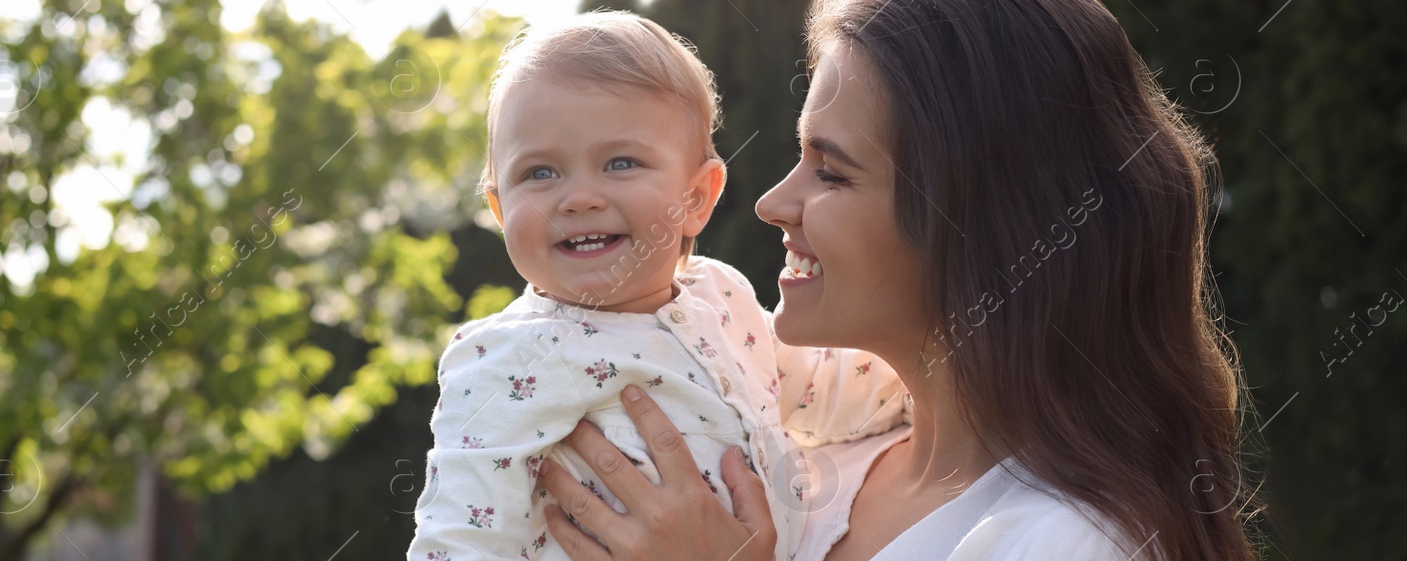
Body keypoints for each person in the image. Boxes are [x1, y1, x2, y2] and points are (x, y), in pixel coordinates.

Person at [533, 0, 1260, 560]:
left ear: (977, 219)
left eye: (831, 170)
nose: (772, 202)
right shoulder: (800, 469)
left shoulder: (1069, 538)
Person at [407, 12, 910, 561]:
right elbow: (459, 538)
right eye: (539, 173)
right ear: (500, 209)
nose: (578, 198)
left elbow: (820, 391)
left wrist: (919, 381)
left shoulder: (722, 297)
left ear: (696, 197)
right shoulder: (504, 360)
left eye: (620, 163)